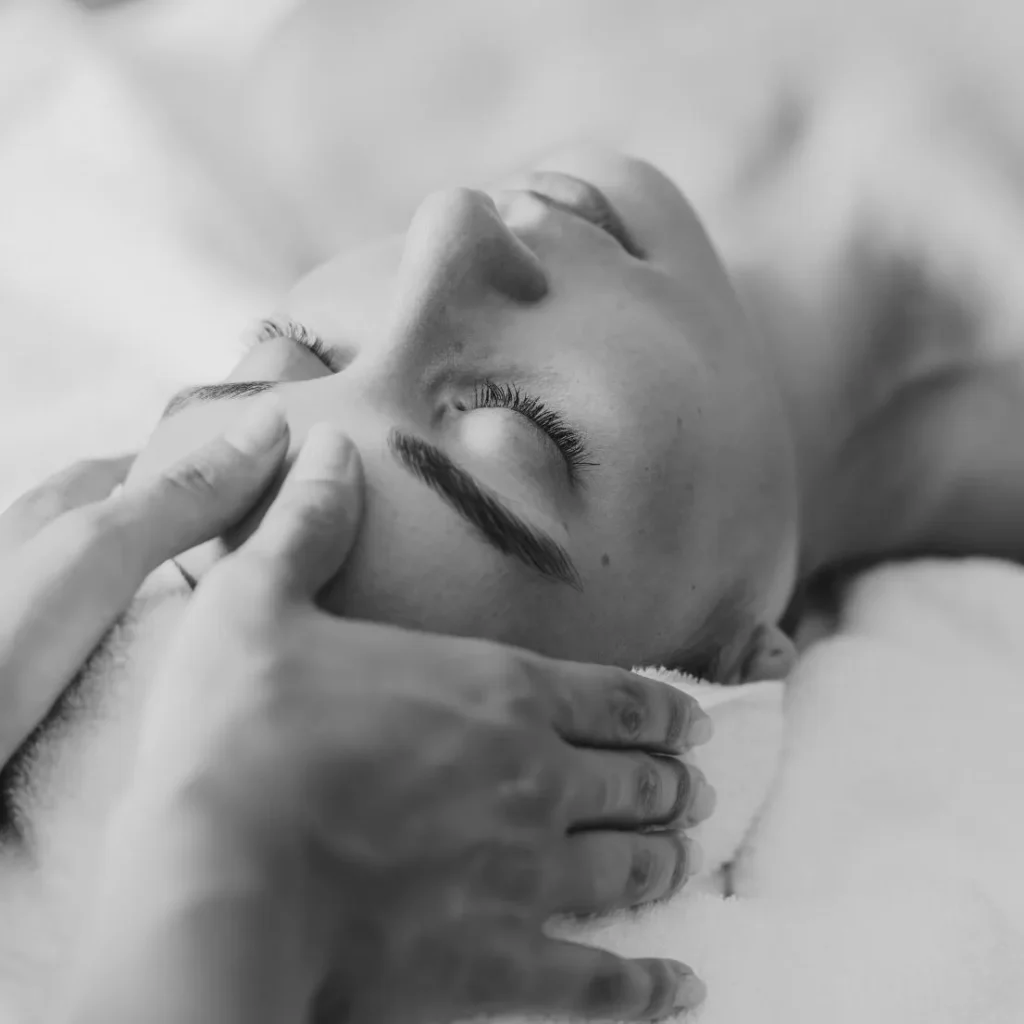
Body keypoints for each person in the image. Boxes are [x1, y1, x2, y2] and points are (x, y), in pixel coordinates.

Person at [4, 142, 1022, 1020]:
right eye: (524, 432)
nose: (447, 223)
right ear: (709, 683)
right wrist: (227, 890)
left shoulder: (345, 94)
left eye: (298, 350)